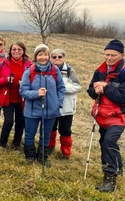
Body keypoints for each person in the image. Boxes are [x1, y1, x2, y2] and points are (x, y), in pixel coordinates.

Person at [87, 39, 125, 192]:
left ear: (122, 55)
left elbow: (122, 98)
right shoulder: (100, 71)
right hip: (102, 114)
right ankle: (118, 166)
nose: (109, 58)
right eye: (107, 54)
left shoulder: (123, 72)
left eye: (113, 55)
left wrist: (106, 87)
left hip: (119, 116)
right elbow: (90, 91)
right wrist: (95, 91)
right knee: (104, 142)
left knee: (109, 141)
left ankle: (110, 179)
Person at [19, 44, 65, 166]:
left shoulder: (55, 71)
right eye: (40, 54)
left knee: (45, 135)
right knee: (30, 133)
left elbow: (61, 88)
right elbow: (23, 91)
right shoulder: (29, 71)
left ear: (49, 56)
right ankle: (30, 155)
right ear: (35, 56)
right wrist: (36, 94)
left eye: (45, 54)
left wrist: (58, 103)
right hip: (32, 109)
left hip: (51, 110)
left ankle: (42, 157)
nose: (43, 57)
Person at [0, 41, 31, 149]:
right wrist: (6, 80)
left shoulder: (29, 65)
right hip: (7, 98)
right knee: (8, 121)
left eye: (19, 49)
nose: (16, 51)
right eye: (14, 49)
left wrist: (24, 83)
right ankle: (2, 142)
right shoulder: (4, 63)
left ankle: (16, 143)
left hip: (22, 98)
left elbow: (34, 82)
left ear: (23, 51)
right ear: (10, 51)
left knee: (20, 121)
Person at [48, 49, 81, 159]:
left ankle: (66, 153)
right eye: (54, 57)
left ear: (63, 58)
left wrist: (62, 88)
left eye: (59, 57)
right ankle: (49, 147)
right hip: (51, 105)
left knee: (65, 130)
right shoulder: (47, 69)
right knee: (51, 128)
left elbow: (77, 86)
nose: (57, 59)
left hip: (67, 107)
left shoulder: (70, 70)